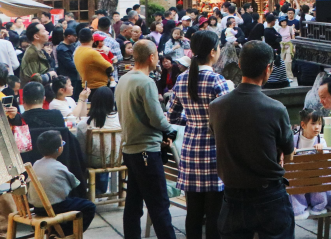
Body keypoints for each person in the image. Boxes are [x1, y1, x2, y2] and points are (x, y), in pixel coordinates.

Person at [209, 41, 295, 239]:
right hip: (269, 196)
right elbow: (289, 154)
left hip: (232, 196)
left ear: (240, 65)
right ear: (268, 69)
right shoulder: (276, 109)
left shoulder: (217, 107)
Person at [168, 30, 229, 239]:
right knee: (214, 214)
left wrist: (193, 121)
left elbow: (172, 116)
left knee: (193, 213)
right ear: (212, 52)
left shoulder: (181, 79)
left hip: (190, 151)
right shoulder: (217, 80)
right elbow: (227, 119)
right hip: (213, 152)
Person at [116, 40, 177, 239]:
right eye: (157, 55)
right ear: (151, 57)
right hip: (146, 150)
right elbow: (156, 118)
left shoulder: (123, 79)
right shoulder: (146, 82)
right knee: (159, 205)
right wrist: (170, 130)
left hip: (130, 149)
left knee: (133, 204)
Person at [29, 131, 96, 230]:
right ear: (59, 149)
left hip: (37, 208)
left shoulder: (36, 164)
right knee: (89, 206)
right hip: (54, 208)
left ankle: (58, 229)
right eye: (62, 143)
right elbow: (74, 183)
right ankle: (67, 232)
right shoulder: (59, 167)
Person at [75, 87, 120, 197]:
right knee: (105, 153)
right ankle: (101, 189)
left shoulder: (84, 124)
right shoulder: (120, 119)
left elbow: (81, 151)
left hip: (93, 161)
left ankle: (84, 191)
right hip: (117, 159)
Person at [291, 109, 331, 220]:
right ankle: (298, 209)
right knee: (294, 182)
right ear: (303, 125)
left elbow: (327, 162)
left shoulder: (321, 141)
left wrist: (322, 151)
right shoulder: (294, 140)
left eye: (319, 123)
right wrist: (291, 152)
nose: (317, 127)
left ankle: (319, 205)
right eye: (313, 123)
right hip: (299, 176)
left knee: (319, 180)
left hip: (315, 177)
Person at [74, 28, 114, 96]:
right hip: (98, 87)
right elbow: (109, 67)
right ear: (92, 38)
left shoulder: (77, 51)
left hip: (86, 86)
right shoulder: (92, 53)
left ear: (79, 39)